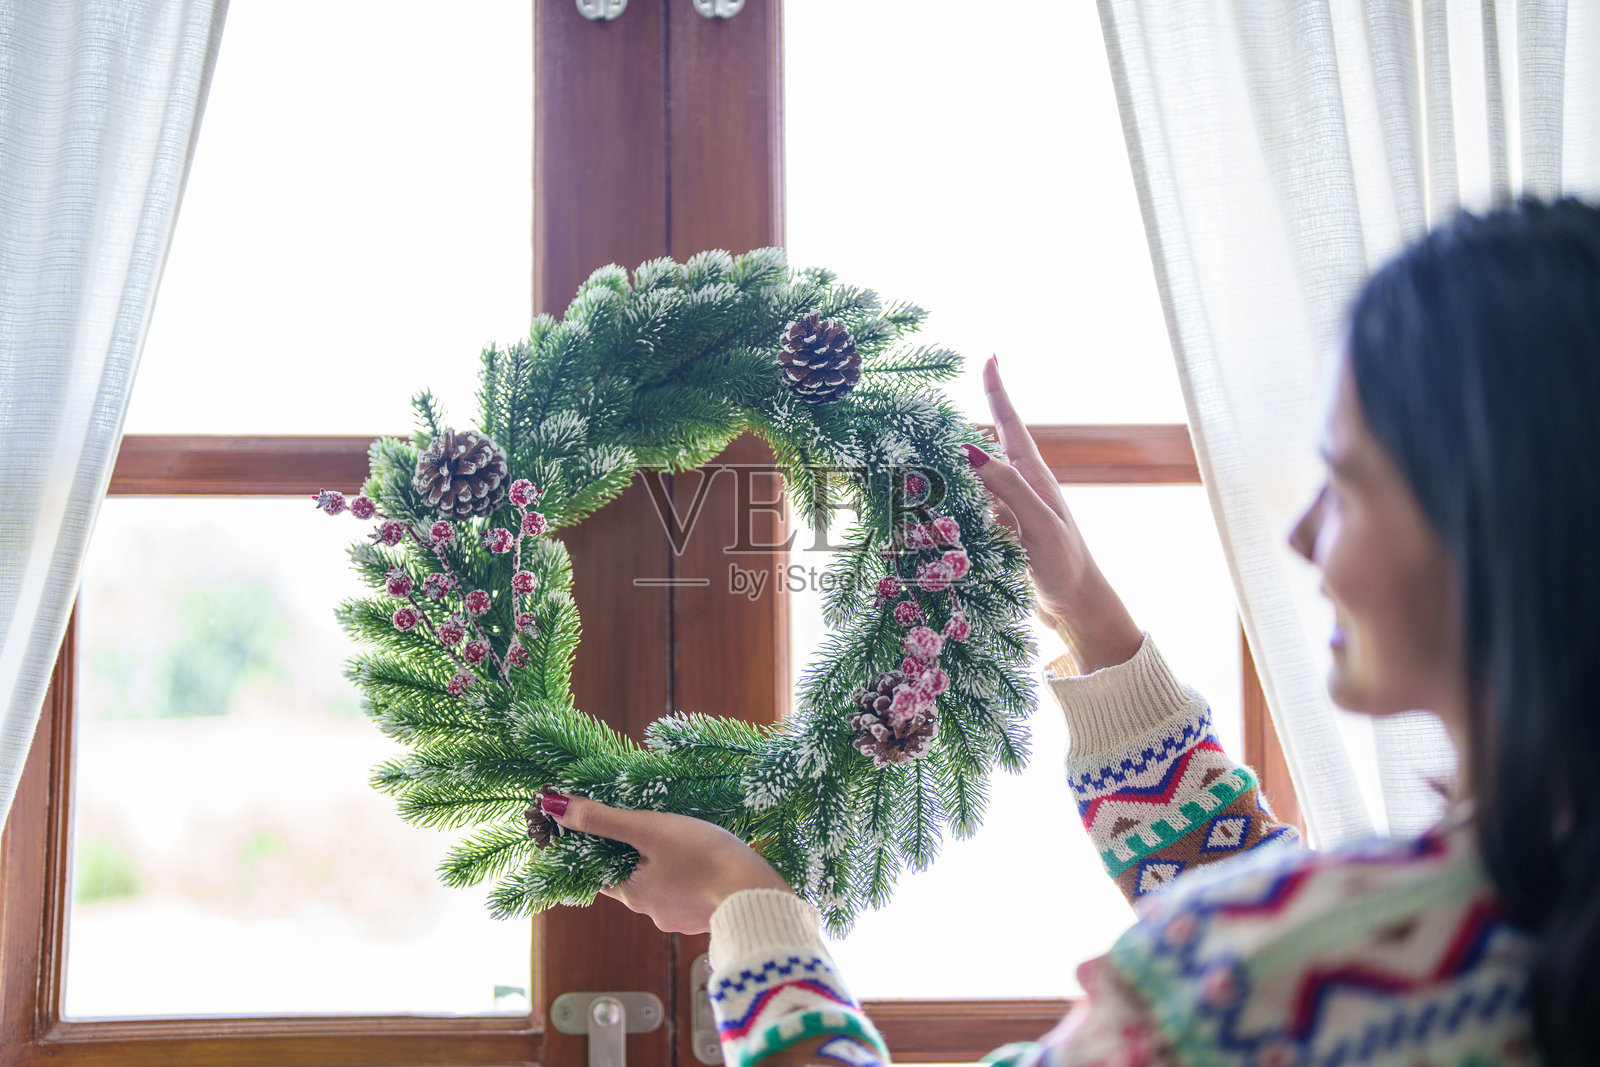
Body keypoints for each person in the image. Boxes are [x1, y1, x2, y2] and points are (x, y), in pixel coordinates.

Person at [536, 198, 1600, 1066]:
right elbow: (1284, 916)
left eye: (1349, 483)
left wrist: (746, 898)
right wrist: (1087, 609)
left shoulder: (1256, 975)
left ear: (1504, 518)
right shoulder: (1516, 914)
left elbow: (1272, 954)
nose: (1303, 532)